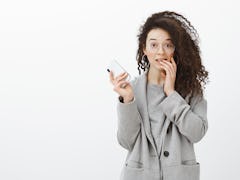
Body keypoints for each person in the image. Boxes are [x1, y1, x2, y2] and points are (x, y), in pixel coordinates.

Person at [109, 11, 209, 180]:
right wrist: (128, 101)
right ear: (144, 49)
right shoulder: (133, 89)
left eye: (168, 45)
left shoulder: (191, 89)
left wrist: (171, 93)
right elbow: (126, 142)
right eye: (154, 45)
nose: (160, 52)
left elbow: (197, 133)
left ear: (176, 49)